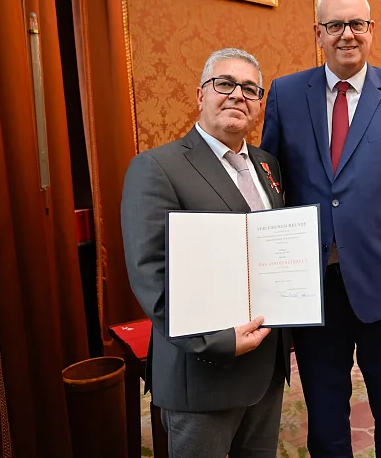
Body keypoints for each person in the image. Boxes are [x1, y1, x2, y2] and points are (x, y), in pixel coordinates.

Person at [260, 0, 381, 458]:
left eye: (357, 25)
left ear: (371, 30)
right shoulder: (286, 93)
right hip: (313, 289)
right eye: (334, 26)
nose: (347, 35)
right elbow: (271, 189)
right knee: (324, 419)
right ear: (318, 34)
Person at [121, 48, 291, 457]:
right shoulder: (156, 167)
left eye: (250, 89)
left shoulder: (269, 166)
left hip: (266, 367)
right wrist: (214, 341)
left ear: (259, 104)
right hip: (201, 373)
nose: (237, 95)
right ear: (201, 95)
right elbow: (151, 275)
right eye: (225, 84)